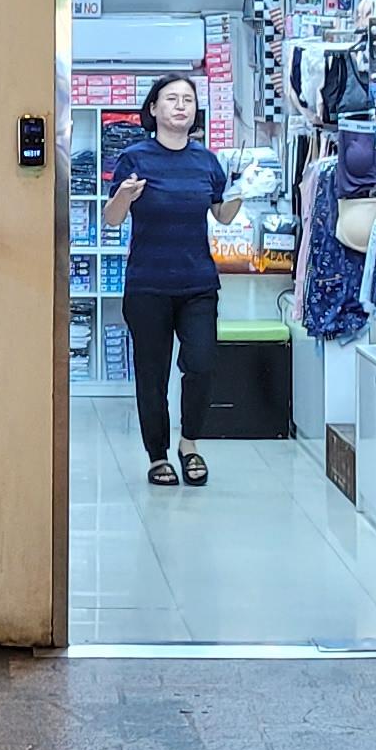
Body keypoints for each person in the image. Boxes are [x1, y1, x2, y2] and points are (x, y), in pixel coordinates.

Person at [101, 70, 228, 485]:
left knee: (203, 363)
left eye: (188, 100)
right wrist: (124, 195)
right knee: (152, 374)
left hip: (198, 283)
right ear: (153, 108)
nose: (180, 106)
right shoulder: (134, 158)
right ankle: (157, 455)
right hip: (148, 284)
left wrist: (243, 194)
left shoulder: (207, 161)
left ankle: (190, 443)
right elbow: (112, 219)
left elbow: (221, 213)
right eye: (171, 98)